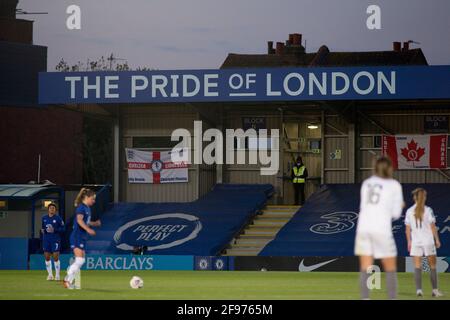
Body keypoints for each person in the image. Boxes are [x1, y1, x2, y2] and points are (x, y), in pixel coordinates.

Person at [354, 156, 404, 300]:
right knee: (390, 268)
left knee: (365, 267)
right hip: (381, 229)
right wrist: (400, 205)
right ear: (390, 168)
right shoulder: (394, 185)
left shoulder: (367, 183)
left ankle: (365, 298)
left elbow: (363, 206)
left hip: (363, 228)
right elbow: (395, 214)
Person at [405, 188, 443, 297]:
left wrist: (409, 242)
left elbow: (407, 229)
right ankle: (435, 291)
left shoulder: (409, 211)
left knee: (417, 267)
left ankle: (419, 290)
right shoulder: (428, 210)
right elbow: (432, 227)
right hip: (428, 241)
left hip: (416, 242)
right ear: (424, 197)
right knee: (432, 266)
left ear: (414, 198)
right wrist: (437, 239)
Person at [63, 188, 101, 289]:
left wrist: (94, 223)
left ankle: (69, 280)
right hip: (77, 236)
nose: (94, 201)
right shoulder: (81, 207)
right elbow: (79, 220)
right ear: (87, 197)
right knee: (79, 260)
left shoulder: (87, 208)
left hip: (82, 237)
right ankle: (67, 280)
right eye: (92, 199)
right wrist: (88, 230)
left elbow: (86, 221)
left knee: (81, 261)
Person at [41, 202, 65, 280]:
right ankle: (50, 275)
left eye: (53, 208)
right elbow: (43, 228)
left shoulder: (58, 218)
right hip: (46, 239)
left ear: (55, 210)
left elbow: (63, 229)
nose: (52, 209)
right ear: (48, 210)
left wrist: (55, 230)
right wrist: (42, 231)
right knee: (47, 257)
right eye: (50, 208)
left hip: (55, 239)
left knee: (55, 256)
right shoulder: (44, 218)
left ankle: (57, 275)